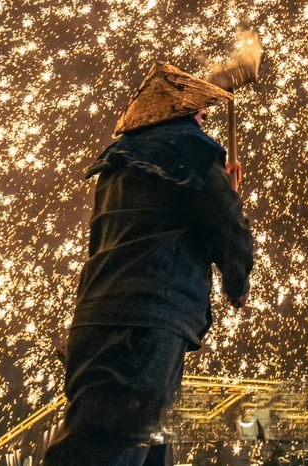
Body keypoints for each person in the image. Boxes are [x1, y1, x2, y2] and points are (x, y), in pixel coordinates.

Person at [45, 62, 254, 466]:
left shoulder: (117, 163)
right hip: (146, 323)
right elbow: (226, 229)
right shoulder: (191, 150)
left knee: (139, 446)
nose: (204, 120)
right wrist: (237, 283)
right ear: (180, 111)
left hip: (94, 319)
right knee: (108, 449)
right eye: (200, 113)